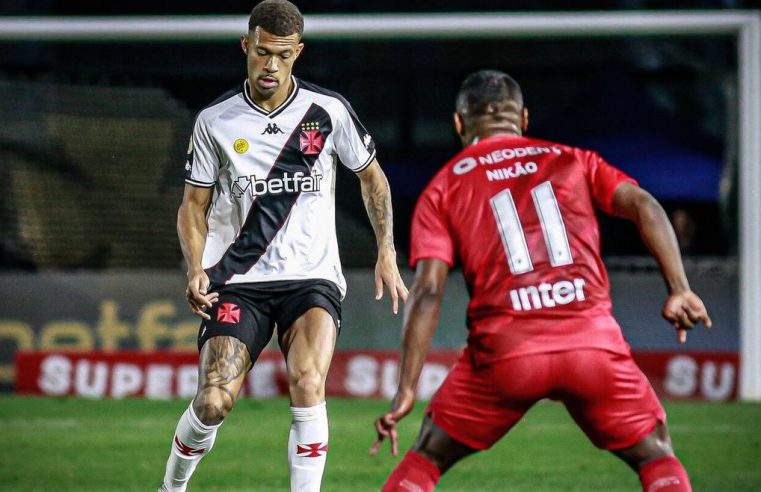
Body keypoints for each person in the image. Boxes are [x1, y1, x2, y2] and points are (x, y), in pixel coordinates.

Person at [370, 70, 711, 492]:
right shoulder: (574, 159)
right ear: (525, 118)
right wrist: (678, 287)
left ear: (459, 124)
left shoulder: (443, 186)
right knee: (656, 455)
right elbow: (644, 204)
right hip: (591, 345)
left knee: (428, 456)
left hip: (507, 354)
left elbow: (428, 291)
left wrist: (406, 388)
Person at [158, 1, 408, 491]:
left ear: (298, 53)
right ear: (246, 46)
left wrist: (387, 250)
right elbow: (193, 205)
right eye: (263, 52)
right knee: (212, 401)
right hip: (236, 281)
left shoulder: (327, 112)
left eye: (283, 55)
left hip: (310, 278)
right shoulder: (216, 120)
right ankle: (171, 486)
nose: (271, 65)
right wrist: (194, 268)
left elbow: (372, 178)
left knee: (308, 382)